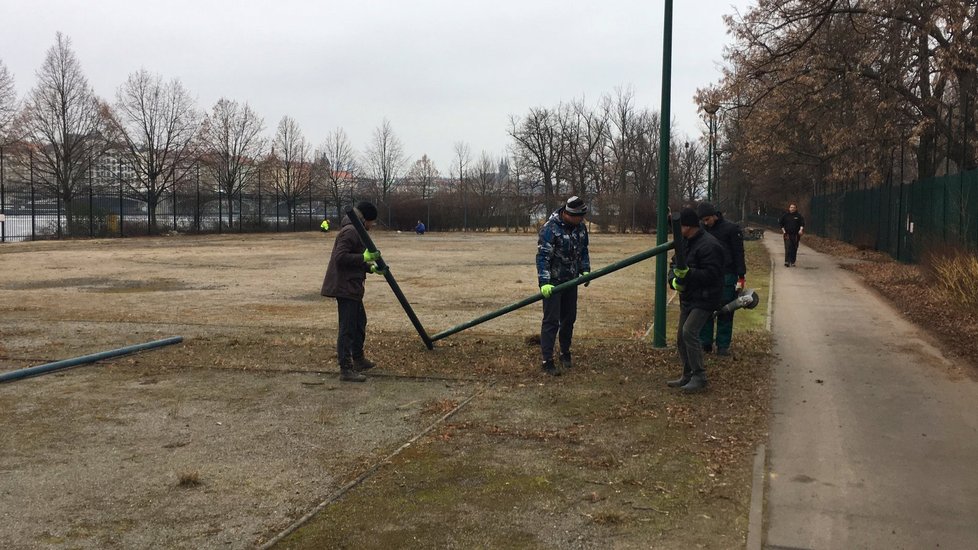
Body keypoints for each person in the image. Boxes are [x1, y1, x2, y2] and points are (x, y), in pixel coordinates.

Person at [321, 201, 386, 382]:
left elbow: (353, 259)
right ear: (364, 219)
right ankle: (346, 369)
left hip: (352, 286)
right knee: (348, 327)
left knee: (359, 323)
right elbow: (340, 258)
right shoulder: (350, 231)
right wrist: (363, 257)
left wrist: (369, 267)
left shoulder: (356, 230)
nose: (372, 226)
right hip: (345, 287)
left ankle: (358, 359)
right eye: (371, 222)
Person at [667, 207, 725, 393]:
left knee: (689, 331)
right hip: (689, 296)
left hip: (706, 298)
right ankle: (688, 374)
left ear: (688, 226)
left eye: (678, 227)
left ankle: (699, 376)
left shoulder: (710, 245)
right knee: (681, 338)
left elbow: (713, 275)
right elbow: (674, 264)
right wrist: (674, 281)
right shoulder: (684, 241)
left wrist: (689, 274)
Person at [536, 196, 591, 376]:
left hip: (571, 280)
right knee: (551, 321)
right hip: (554, 283)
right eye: (580, 216)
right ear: (569, 214)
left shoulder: (580, 227)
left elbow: (583, 250)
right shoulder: (550, 229)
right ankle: (547, 360)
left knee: (569, 318)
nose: (582, 220)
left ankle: (564, 352)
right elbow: (543, 257)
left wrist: (585, 270)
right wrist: (544, 282)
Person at [696, 202, 746, 356]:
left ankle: (723, 345)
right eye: (703, 220)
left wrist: (741, 275)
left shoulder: (731, 229)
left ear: (714, 216)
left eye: (707, 219)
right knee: (705, 309)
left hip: (727, 274)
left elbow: (738, 252)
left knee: (725, 309)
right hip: (708, 274)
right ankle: (705, 343)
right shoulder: (702, 229)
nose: (706, 223)